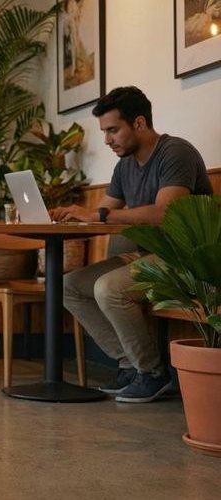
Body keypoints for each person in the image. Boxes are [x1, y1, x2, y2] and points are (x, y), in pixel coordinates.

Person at [50, 86, 213, 403]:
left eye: (113, 130)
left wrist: (98, 213)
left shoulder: (175, 152)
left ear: (139, 123)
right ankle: (130, 366)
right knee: (67, 285)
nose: (107, 140)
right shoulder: (125, 165)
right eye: (105, 132)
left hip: (186, 259)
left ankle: (152, 373)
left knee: (108, 288)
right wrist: (69, 216)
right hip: (147, 256)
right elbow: (103, 213)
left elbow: (167, 212)